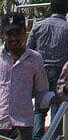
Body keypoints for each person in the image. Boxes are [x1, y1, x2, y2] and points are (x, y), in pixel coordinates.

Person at [28, 0, 68, 140]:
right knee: (57, 105)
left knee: (39, 107)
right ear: (66, 10)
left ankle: (36, 136)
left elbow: (29, 50)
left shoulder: (38, 26)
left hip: (40, 69)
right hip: (61, 70)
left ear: (51, 8)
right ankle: (54, 136)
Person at [1, 12, 54, 140]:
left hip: (23, 125)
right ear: (3, 34)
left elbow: (42, 91)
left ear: (25, 32)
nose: (14, 37)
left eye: (18, 32)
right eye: (9, 33)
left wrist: (57, 99)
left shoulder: (35, 59)